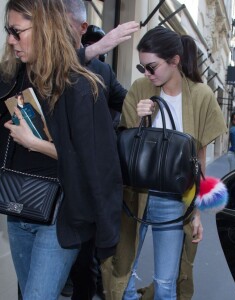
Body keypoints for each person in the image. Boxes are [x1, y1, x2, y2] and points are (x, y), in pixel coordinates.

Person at [0, 1, 123, 299]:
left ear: (44, 28)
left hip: (60, 219)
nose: (10, 40)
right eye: (8, 31)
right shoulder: (10, 79)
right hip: (18, 210)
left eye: (17, 32)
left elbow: (96, 163)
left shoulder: (80, 86)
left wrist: (35, 143)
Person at [101, 26, 227, 299]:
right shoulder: (140, 89)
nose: (146, 73)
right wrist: (138, 120)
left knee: (166, 284)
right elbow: (124, 144)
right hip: (134, 196)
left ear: (175, 60)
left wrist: (196, 212)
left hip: (173, 198)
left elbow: (199, 160)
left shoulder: (201, 95)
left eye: (152, 66)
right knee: (121, 276)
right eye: (142, 66)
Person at [61, 0, 129, 299]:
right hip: (49, 181)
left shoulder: (102, 71)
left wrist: (103, 129)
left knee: (84, 264)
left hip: (85, 184)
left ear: (82, 28)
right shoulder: (41, 64)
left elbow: (124, 105)